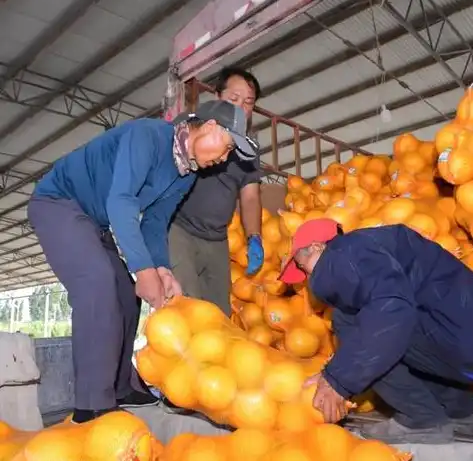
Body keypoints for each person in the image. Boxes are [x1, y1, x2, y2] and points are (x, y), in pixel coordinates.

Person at [27, 100, 256, 424]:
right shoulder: (149, 137)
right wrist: (142, 269)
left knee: (127, 295)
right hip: (58, 203)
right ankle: (92, 405)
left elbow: (155, 222)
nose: (224, 158)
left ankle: (121, 386)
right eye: (227, 147)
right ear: (209, 128)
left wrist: (161, 269)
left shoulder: (185, 174)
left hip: (95, 222)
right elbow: (120, 200)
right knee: (97, 282)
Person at [279, 219, 473, 444]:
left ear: (316, 246)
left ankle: (422, 418)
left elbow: (390, 311)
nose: (307, 275)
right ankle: (461, 409)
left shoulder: (344, 254)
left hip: (459, 338)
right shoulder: (371, 246)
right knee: (389, 320)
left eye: (303, 266)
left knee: (350, 319)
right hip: (459, 337)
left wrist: (338, 379)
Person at [169, 67, 264, 316]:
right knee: (187, 309)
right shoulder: (192, 128)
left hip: (217, 238)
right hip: (180, 230)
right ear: (217, 96)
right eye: (233, 100)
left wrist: (254, 237)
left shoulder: (248, 150)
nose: (241, 108)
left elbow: (251, 196)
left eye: (248, 103)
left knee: (220, 316)